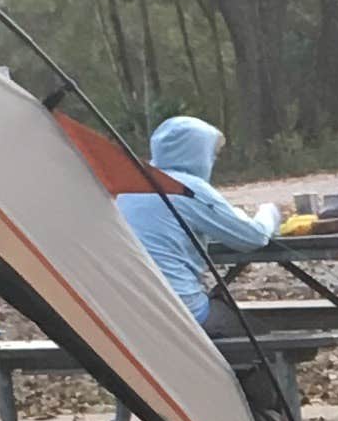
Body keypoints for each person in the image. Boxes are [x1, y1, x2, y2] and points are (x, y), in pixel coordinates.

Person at [120, 112, 280, 321]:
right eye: (212, 154)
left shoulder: (129, 186)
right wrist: (270, 211)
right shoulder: (188, 188)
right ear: (197, 153)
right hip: (179, 311)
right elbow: (253, 237)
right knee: (263, 329)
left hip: (126, 312)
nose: (213, 160)